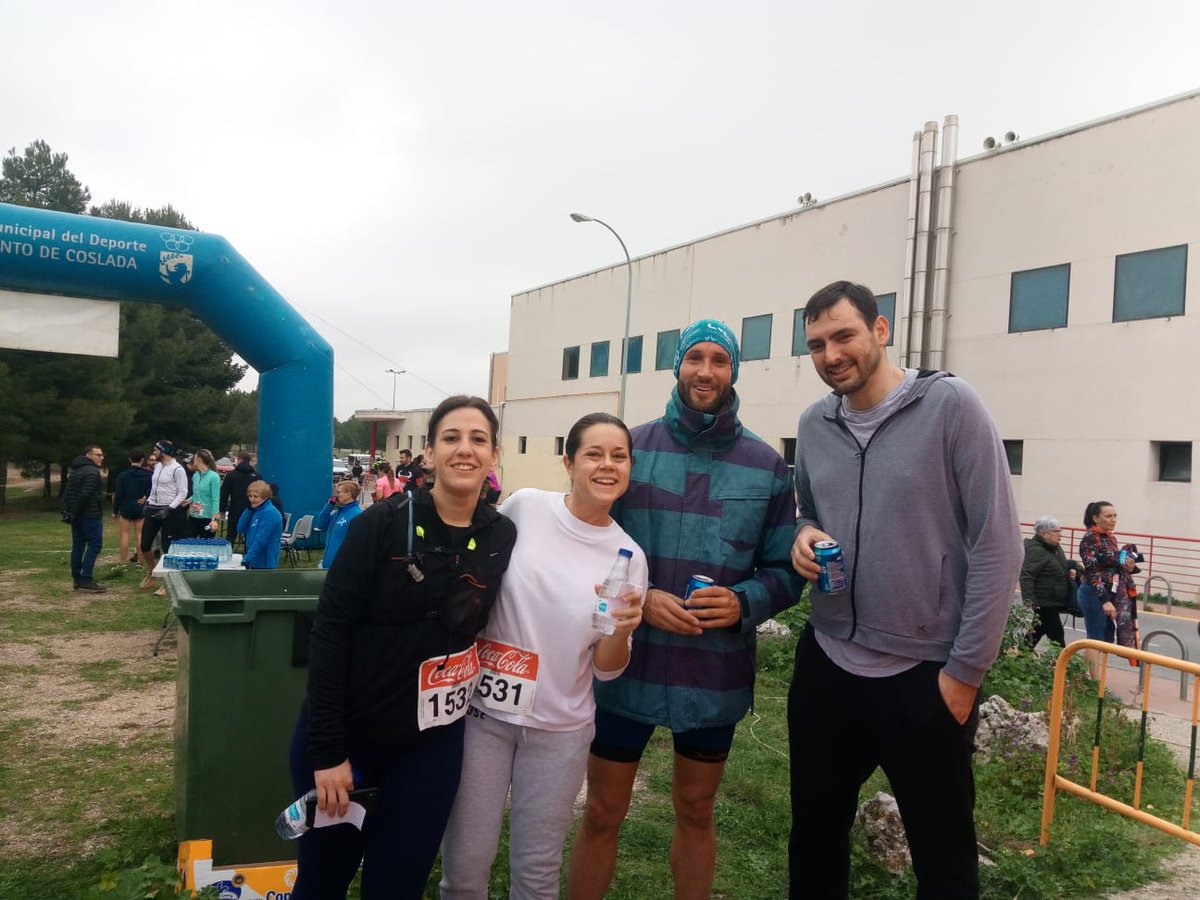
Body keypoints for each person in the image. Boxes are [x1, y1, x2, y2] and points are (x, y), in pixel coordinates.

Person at [787, 280, 1022, 898]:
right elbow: (806, 508)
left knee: (943, 861)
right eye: (816, 344)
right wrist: (804, 534)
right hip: (828, 665)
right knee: (813, 836)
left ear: (881, 330)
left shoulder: (951, 406)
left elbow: (1000, 543)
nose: (831, 354)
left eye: (844, 335)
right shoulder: (814, 424)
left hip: (924, 675)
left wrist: (964, 674)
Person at [568, 320, 803, 900]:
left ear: (733, 371)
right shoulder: (632, 451)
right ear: (678, 367)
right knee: (602, 810)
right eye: (694, 358)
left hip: (713, 673)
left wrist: (745, 601)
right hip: (626, 667)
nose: (705, 370)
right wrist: (640, 601)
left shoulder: (767, 467)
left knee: (697, 810)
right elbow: (585, 545)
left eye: (719, 360)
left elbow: (784, 570)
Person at [287, 395, 517, 900]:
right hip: (349, 739)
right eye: (451, 438)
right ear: (429, 453)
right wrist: (328, 752)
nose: (465, 449)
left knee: (397, 886)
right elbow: (329, 631)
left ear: (494, 455)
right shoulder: (381, 524)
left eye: (478, 439)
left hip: (430, 746)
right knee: (322, 883)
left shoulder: (502, 535)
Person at [440, 412, 648, 900]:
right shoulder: (526, 507)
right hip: (483, 715)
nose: (606, 465)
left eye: (618, 456)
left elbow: (607, 668)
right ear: (569, 462)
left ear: (630, 469)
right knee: (465, 868)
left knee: (536, 873)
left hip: (561, 730)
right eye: (593, 454)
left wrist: (622, 629)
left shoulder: (628, 556)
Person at [1077, 500, 1139, 672]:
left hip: (1110, 592)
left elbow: (1113, 563)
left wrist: (1128, 566)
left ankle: (1079, 676)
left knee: (1104, 639)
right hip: (1093, 593)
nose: (1113, 519)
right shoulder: (1090, 538)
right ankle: (1094, 686)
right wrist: (1104, 600)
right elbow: (1092, 571)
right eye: (1108, 516)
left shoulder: (1111, 537)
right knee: (1095, 638)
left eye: (1115, 515)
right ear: (1096, 518)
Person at [138, 440, 190, 589]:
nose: (153, 452)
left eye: (156, 450)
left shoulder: (177, 469)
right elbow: (154, 487)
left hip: (169, 511)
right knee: (145, 544)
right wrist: (148, 502)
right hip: (154, 508)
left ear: (164, 451)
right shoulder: (158, 466)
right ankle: (152, 571)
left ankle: (168, 581)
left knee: (167, 547)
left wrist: (170, 508)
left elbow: (183, 492)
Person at [1019, 516, 1072, 648]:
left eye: (1060, 531)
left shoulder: (1054, 548)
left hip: (1051, 598)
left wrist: (1072, 568)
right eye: (1055, 531)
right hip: (1044, 601)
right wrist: (1029, 600)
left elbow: (1060, 564)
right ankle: (1061, 665)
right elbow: (1027, 575)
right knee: (1057, 635)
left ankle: (1020, 658)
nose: (1060, 535)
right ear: (1043, 533)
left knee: (1037, 630)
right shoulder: (1036, 550)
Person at [62, 444, 108, 592]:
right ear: (89, 455)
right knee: (95, 545)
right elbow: (86, 495)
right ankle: (86, 579)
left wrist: (68, 511)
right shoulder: (92, 472)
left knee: (78, 546)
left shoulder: (76, 471)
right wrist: (75, 511)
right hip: (90, 515)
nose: (102, 457)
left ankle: (77, 579)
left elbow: (67, 493)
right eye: (98, 455)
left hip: (77, 516)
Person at [112, 450, 152, 566]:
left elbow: (119, 494)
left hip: (126, 506)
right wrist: (145, 497)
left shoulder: (123, 475)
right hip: (140, 506)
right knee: (139, 535)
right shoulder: (148, 475)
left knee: (124, 534)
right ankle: (140, 561)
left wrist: (115, 510)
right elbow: (151, 490)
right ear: (142, 460)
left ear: (130, 459)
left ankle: (123, 561)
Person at [314, 480, 363, 569]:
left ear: (348, 494)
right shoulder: (338, 513)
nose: (336, 495)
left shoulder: (357, 514)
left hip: (343, 566)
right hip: (329, 563)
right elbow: (322, 525)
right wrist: (329, 505)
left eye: (339, 492)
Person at [238, 480, 284, 569]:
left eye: (256, 497)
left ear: (265, 497)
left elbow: (261, 539)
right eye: (250, 496)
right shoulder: (256, 510)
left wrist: (246, 559)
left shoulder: (270, 513)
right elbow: (240, 528)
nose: (252, 499)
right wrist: (248, 510)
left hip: (265, 563)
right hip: (254, 560)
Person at [220, 452, 259, 548]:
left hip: (234, 509)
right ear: (249, 461)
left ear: (239, 460)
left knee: (230, 536)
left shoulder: (231, 475)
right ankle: (248, 557)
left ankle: (228, 554)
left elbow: (224, 493)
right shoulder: (256, 476)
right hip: (251, 509)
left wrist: (222, 509)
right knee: (249, 535)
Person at [188, 449, 221, 538]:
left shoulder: (214, 476)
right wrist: (187, 501)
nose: (193, 460)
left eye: (194, 458)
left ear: (198, 459)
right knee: (189, 544)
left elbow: (216, 498)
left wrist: (214, 519)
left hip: (207, 517)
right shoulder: (195, 475)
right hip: (193, 515)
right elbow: (196, 493)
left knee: (206, 546)